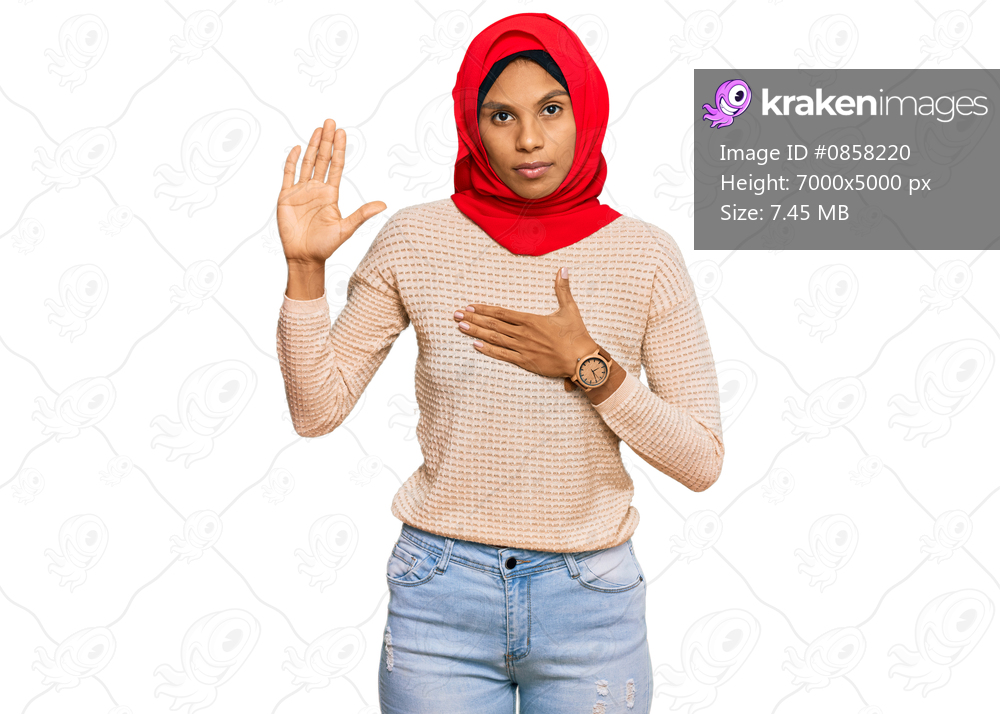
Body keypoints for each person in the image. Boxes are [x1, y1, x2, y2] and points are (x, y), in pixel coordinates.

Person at [275, 12, 724, 714]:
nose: (529, 139)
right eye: (501, 115)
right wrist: (306, 270)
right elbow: (316, 411)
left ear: (586, 110)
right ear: (471, 125)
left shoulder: (645, 255)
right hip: (440, 598)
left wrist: (589, 366)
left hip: (590, 606)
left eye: (552, 108)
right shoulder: (415, 239)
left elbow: (701, 461)